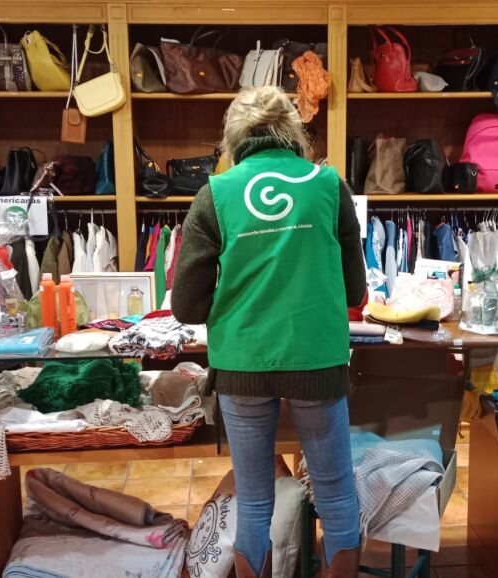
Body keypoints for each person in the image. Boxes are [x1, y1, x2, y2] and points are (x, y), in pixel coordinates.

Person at [172, 86, 367, 578]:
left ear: (233, 137)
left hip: (242, 361)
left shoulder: (214, 194)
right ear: (294, 133)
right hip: (316, 358)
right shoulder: (329, 186)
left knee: (255, 499)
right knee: (336, 493)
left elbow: (187, 306)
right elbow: (355, 290)